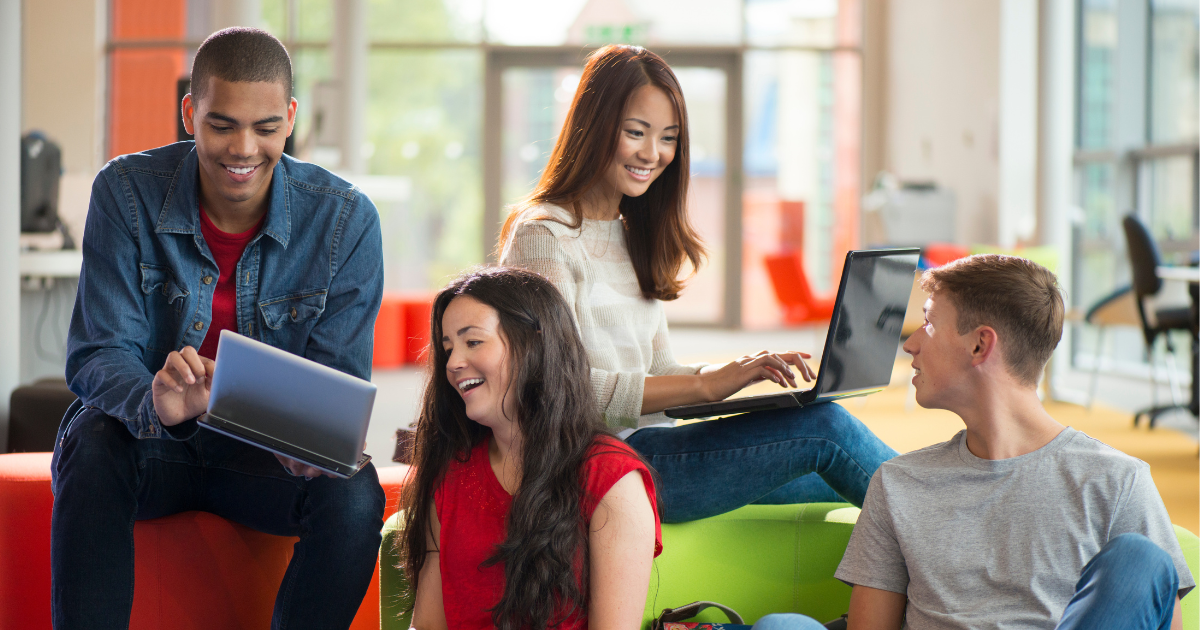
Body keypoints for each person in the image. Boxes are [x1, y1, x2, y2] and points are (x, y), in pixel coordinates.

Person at [51, 28, 386, 629]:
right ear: (190, 114)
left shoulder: (344, 220)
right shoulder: (125, 193)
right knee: (93, 439)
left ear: (289, 119)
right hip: (150, 444)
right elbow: (99, 353)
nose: (243, 149)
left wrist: (308, 441)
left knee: (356, 494)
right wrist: (154, 401)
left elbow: (336, 381)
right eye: (222, 124)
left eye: (264, 128)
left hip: (265, 465)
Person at [497, 44, 896, 523]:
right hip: (596, 466)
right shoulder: (544, 234)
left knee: (837, 474)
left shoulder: (627, 235)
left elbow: (660, 367)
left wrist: (740, 372)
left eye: (668, 137)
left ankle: (949, 539)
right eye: (635, 133)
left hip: (648, 448)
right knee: (826, 429)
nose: (654, 153)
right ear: (595, 126)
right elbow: (556, 387)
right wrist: (708, 387)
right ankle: (965, 520)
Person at [795, 254, 1192, 630]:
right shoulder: (897, 483)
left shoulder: (1117, 481)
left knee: (1140, 560)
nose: (911, 344)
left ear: (980, 345)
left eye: (929, 323)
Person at [400, 267, 661, 630]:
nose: (454, 363)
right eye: (447, 349)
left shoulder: (611, 480)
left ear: (534, 343)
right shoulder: (450, 473)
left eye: (472, 342)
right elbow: (427, 626)